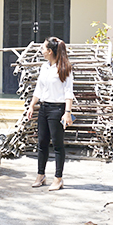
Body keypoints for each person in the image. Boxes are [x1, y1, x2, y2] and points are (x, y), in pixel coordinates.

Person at [27, 37, 75, 191]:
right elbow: (39, 89)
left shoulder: (65, 68)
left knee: (58, 145)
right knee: (41, 143)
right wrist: (32, 105)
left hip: (58, 109)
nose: (41, 50)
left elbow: (69, 92)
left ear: (50, 51)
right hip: (44, 108)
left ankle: (58, 178)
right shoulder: (44, 67)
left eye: (43, 48)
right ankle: (41, 175)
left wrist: (67, 112)